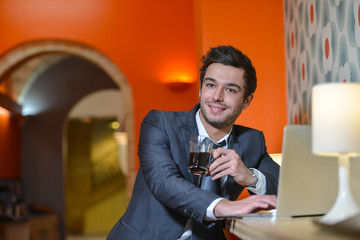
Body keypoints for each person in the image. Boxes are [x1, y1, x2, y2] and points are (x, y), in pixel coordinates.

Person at [107, 45, 280, 240]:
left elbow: (285, 185)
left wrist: (250, 177)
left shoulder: (252, 140)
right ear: (200, 89)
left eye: (230, 90)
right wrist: (225, 206)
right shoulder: (160, 124)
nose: (216, 96)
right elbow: (164, 182)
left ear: (247, 100)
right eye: (210, 85)